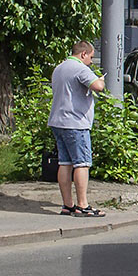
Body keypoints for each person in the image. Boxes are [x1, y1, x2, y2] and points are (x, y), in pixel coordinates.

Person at [48, 41, 107, 217]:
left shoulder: (60, 67)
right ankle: (83, 205)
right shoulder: (80, 68)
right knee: (82, 163)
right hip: (76, 122)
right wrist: (100, 80)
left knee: (64, 163)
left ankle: (68, 205)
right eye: (90, 57)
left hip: (58, 121)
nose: (91, 61)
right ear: (83, 54)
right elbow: (98, 87)